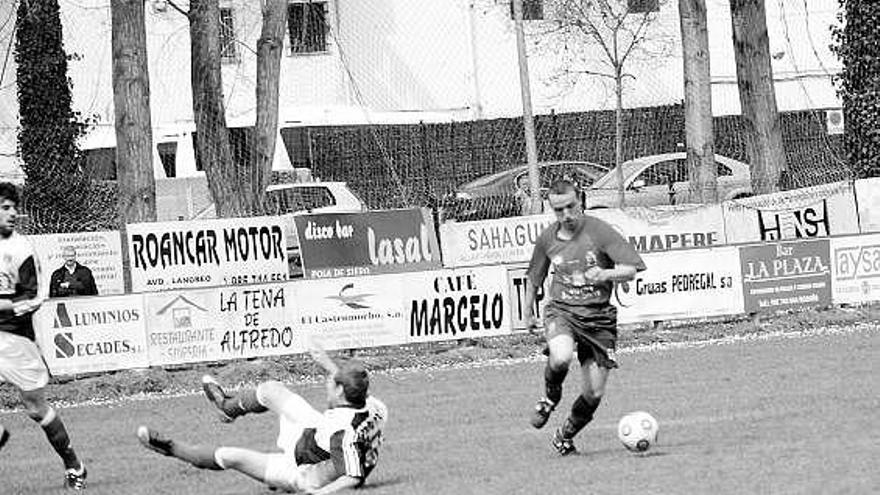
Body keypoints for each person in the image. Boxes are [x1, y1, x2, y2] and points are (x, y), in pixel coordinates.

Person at [137, 340, 388, 494]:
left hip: (302, 472)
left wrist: (318, 493)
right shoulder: (374, 405)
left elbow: (353, 476)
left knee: (230, 456)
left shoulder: (343, 432)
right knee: (270, 390)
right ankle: (227, 406)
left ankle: (168, 447)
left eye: (332, 384)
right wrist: (326, 362)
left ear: (342, 391)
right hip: (312, 435)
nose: (327, 385)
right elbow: (352, 391)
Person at [524, 179, 645, 455]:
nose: (565, 215)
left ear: (581, 201)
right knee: (561, 356)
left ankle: (564, 435)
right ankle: (550, 397)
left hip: (599, 319)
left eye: (570, 207)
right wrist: (527, 311)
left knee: (594, 393)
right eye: (558, 210)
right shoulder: (547, 239)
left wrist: (605, 273)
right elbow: (534, 278)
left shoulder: (600, 232)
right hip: (563, 311)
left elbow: (630, 269)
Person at [0, 182, 87, 490]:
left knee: (36, 408)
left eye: (13, 207)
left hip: (15, 338)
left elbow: (34, 297)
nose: (12, 213)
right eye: (4, 207)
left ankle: (74, 465)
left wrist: (4, 305)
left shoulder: (21, 249)